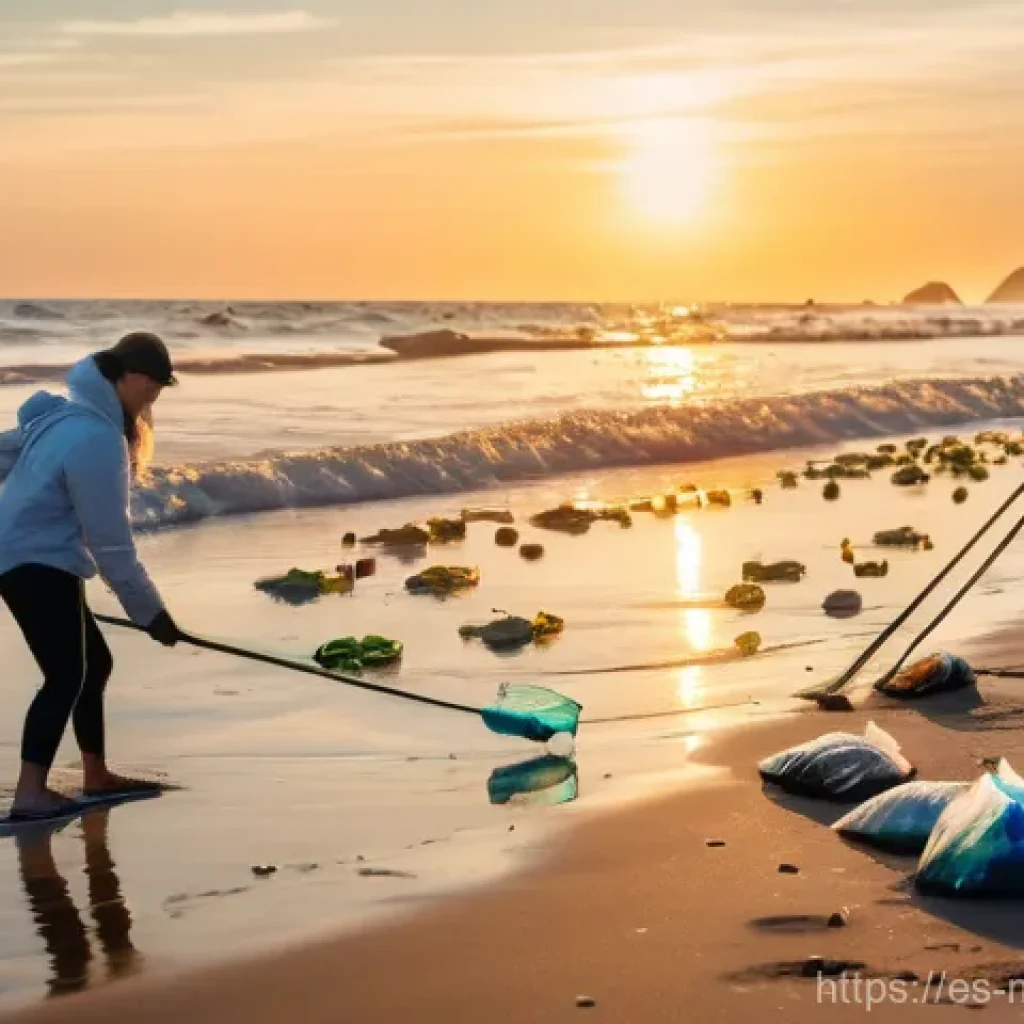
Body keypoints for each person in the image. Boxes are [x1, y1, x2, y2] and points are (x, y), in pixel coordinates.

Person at [0, 332, 184, 822]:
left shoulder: (69, 416)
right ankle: (30, 793)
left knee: (93, 663)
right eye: (154, 386)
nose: (154, 399)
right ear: (131, 378)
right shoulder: (96, 438)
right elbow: (111, 545)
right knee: (65, 674)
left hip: (35, 555)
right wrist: (151, 614)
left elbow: (6, 453)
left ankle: (95, 774)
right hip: (33, 560)